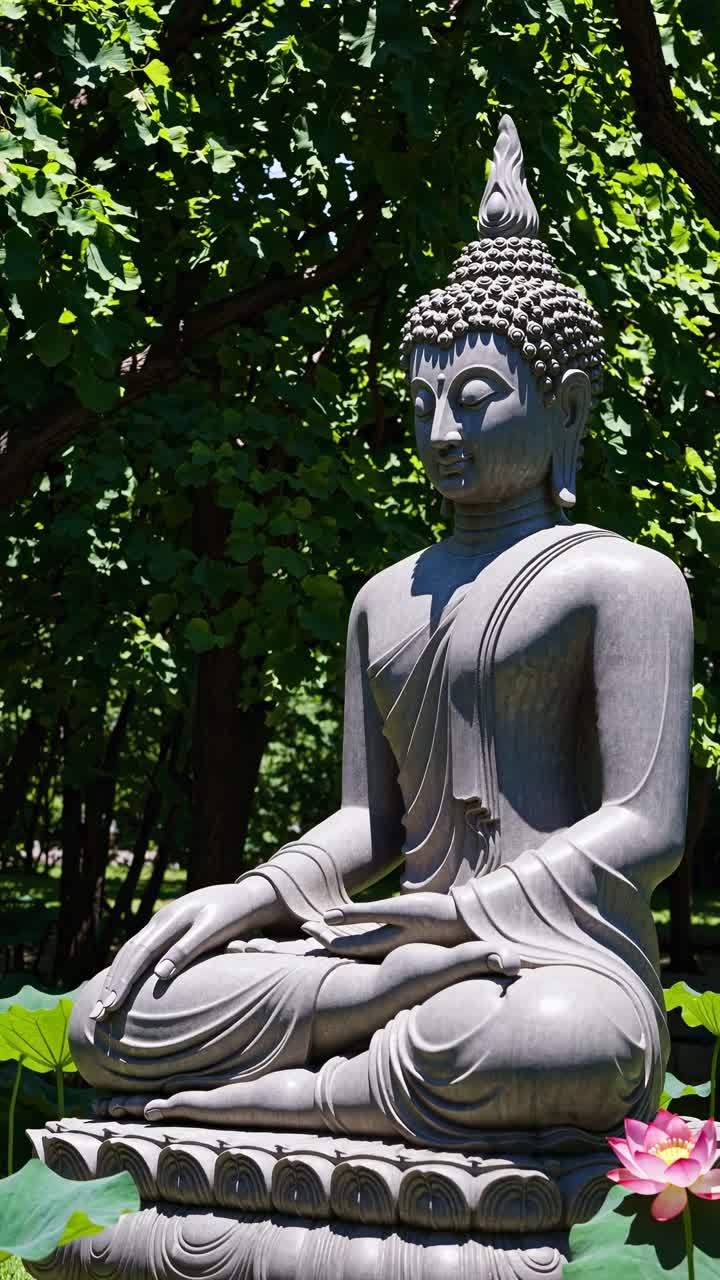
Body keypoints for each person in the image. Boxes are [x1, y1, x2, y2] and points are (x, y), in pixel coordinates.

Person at [70, 117, 692, 1148]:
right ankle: (363, 1031)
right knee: (118, 1012)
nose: (444, 430)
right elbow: (372, 823)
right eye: (422, 402)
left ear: (568, 409)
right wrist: (242, 899)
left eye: (479, 398)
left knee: (549, 1038)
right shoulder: (383, 595)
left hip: (551, 958)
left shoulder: (624, 580)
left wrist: (464, 915)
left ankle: (292, 1100)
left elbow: (647, 824)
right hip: (389, 954)